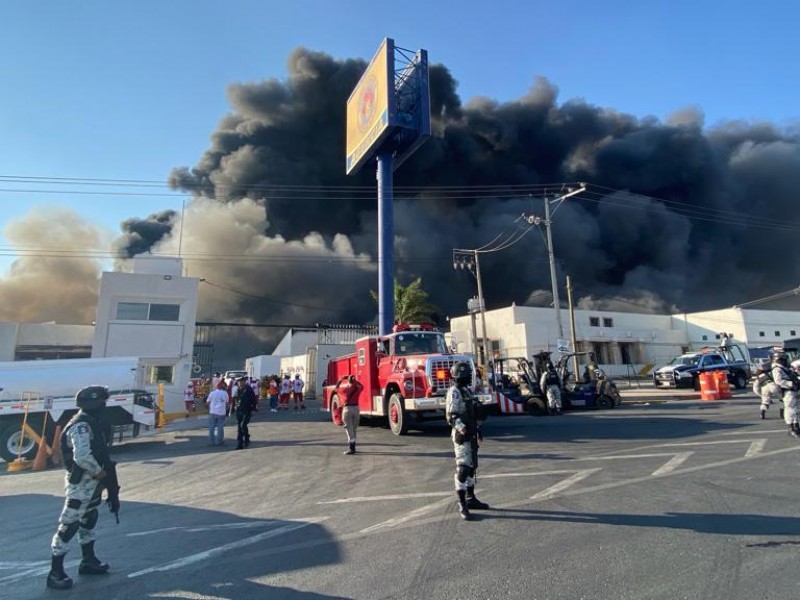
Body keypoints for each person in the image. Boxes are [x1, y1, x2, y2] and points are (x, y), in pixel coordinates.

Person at [47, 385, 120, 590]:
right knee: (68, 526)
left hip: (93, 484)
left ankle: (88, 561)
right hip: (81, 484)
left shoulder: (92, 422)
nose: (105, 406)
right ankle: (55, 572)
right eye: (102, 402)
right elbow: (82, 456)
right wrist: (100, 473)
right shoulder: (81, 426)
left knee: (89, 519)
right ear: (95, 404)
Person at [445, 361, 490, 521]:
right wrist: (461, 428)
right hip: (462, 435)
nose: (468, 376)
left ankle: (471, 498)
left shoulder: (466, 390)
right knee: (463, 468)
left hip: (471, 433)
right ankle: (462, 504)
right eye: (466, 374)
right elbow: (451, 415)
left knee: (472, 467)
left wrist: (477, 429)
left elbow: (471, 412)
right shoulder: (455, 392)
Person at [771, 350, 800, 437]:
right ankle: (791, 427)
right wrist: (791, 384)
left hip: (793, 390)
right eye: (783, 359)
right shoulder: (777, 369)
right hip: (788, 391)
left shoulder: (784, 368)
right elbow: (778, 381)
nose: (785, 361)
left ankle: (796, 425)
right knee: (790, 410)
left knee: (796, 409)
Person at [336, 375, 362, 455]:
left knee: (349, 428)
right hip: (356, 408)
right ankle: (353, 447)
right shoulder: (358, 389)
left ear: (348, 381)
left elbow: (336, 388)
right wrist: (355, 381)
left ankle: (351, 448)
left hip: (347, 409)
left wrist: (341, 379)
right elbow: (361, 385)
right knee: (354, 428)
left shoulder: (345, 389)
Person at [235, 377, 257, 449]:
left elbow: (253, 399)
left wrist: (254, 409)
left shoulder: (249, 389)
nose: (239, 383)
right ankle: (240, 443)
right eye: (238, 382)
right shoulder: (238, 389)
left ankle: (246, 437)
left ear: (244, 381)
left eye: (241, 381)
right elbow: (235, 399)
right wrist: (231, 409)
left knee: (243, 425)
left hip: (247, 410)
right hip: (239, 410)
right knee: (239, 426)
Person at [206, 380, 228, 445]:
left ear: (216, 387)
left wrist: (210, 407)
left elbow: (207, 402)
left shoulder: (212, 393)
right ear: (222, 387)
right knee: (220, 427)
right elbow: (227, 403)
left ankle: (211, 441)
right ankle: (219, 441)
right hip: (221, 412)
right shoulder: (225, 393)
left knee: (211, 427)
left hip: (212, 412)